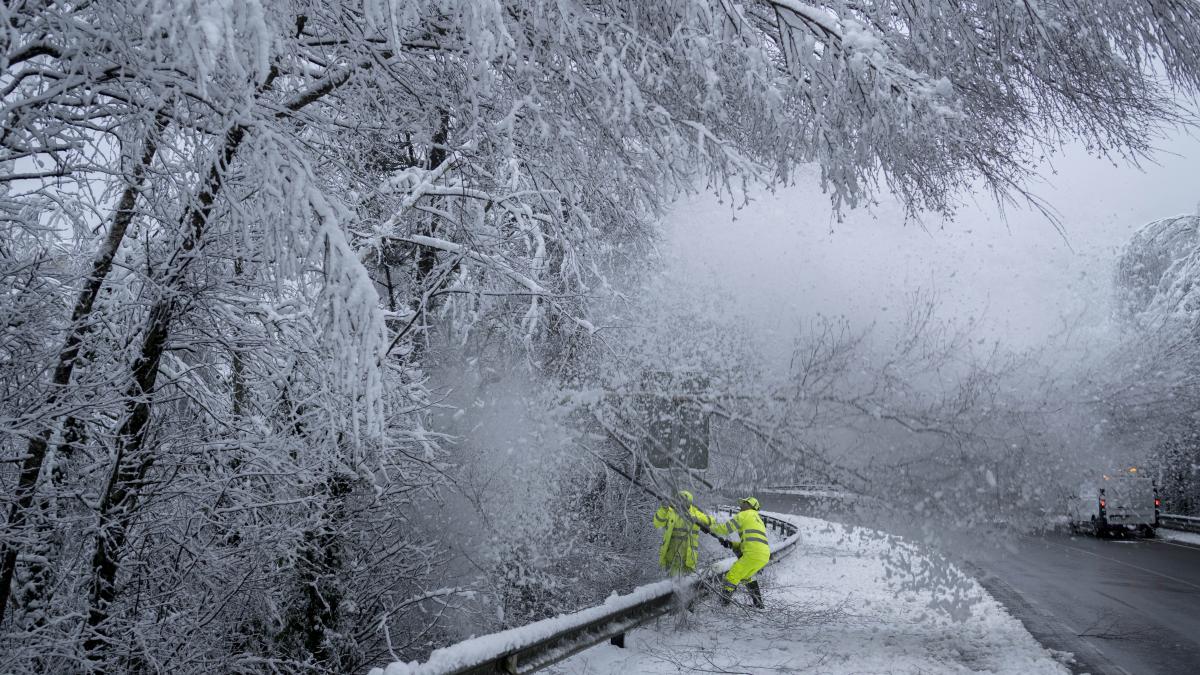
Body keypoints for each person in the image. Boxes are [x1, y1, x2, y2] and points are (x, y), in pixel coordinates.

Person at [710, 496, 769, 608]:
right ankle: (759, 604)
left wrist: (711, 527)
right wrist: (732, 544)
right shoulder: (759, 520)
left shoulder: (744, 514)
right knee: (748, 577)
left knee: (732, 575)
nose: (740, 505)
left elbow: (725, 528)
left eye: (743, 503)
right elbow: (752, 542)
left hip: (752, 554)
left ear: (749, 505)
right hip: (763, 555)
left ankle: (723, 605)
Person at [652, 490, 715, 576]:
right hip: (671, 557)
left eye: (683, 500)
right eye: (679, 500)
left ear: (689, 502)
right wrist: (663, 509)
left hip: (688, 559)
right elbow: (657, 523)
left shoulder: (695, 513)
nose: (680, 503)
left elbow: (712, 520)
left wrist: (698, 520)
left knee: (687, 584)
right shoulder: (670, 512)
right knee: (672, 584)